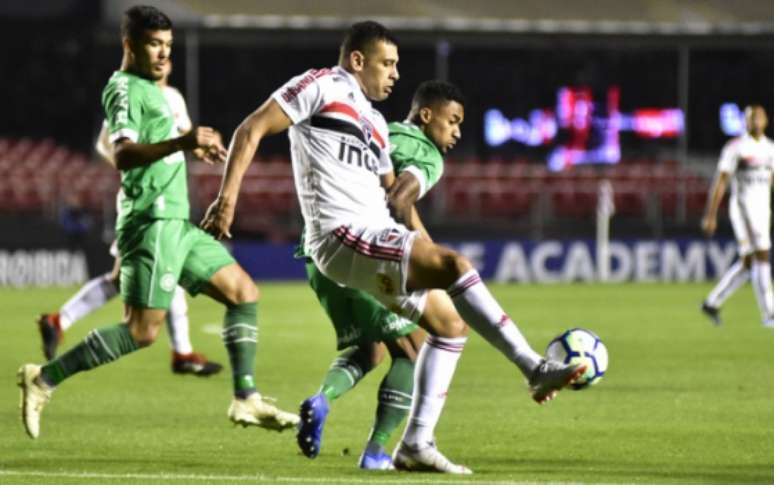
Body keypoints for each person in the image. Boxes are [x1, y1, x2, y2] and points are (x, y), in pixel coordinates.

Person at [201, 21, 584, 474]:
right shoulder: (321, 85)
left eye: (398, 65)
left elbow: (393, 199)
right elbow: (251, 128)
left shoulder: (377, 124)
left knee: (449, 325)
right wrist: (227, 198)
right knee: (451, 268)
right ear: (358, 60)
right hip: (339, 232)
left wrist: (427, 253)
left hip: (370, 235)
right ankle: (532, 368)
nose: (396, 74)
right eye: (387, 63)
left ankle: (416, 444)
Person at [17, 5, 299, 440]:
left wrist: (193, 149)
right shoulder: (124, 89)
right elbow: (125, 154)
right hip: (150, 224)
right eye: (155, 45)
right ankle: (44, 379)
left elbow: (163, 145)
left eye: (169, 46)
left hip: (178, 224)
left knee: (244, 293)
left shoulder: (160, 93)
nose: (165, 54)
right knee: (142, 332)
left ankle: (246, 397)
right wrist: (183, 141)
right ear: (130, 45)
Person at [294, 80, 464, 470]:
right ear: (426, 116)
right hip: (365, 253)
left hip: (317, 252)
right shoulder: (427, 154)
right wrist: (433, 259)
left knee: (373, 349)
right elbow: (398, 201)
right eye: (452, 121)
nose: (456, 132)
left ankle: (322, 400)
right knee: (418, 348)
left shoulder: (376, 127)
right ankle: (376, 452)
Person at [37, 60, 223, 377]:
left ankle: (60, 320)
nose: (162, 62)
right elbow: (105, 143)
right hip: (144, 201)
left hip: (169, 199)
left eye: (167, 56)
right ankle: (182, 353)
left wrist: (201, 148)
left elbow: (182, 138)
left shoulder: (175, 97)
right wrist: (136, 167)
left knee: (121, 278)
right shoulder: (132, 96)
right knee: (159, 272)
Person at [701, 104, 774, 328]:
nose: (755, 121)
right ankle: (769, 313)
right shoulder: (736, 147)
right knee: (763, 254)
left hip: (762, 209)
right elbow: (721, 181)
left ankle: (712, 302)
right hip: (743, 209)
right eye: (751, 118)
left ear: (766, 120)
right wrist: (710, 215)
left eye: (759, 117)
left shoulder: (771, 148)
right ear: (745, 122)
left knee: (749, 263)